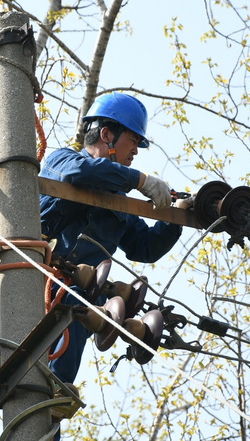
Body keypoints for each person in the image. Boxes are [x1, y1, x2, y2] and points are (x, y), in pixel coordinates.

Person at [40, 92, 192, 407]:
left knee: (52, 396)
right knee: (37, 383)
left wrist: (174, 217)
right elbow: (82, 173)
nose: (136, 150)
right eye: (133, 140)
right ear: (107, 134)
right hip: (35, 283)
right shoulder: (63, 161)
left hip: (79, 302)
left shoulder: (118, 199)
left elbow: (144, 247)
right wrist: (139, 180)